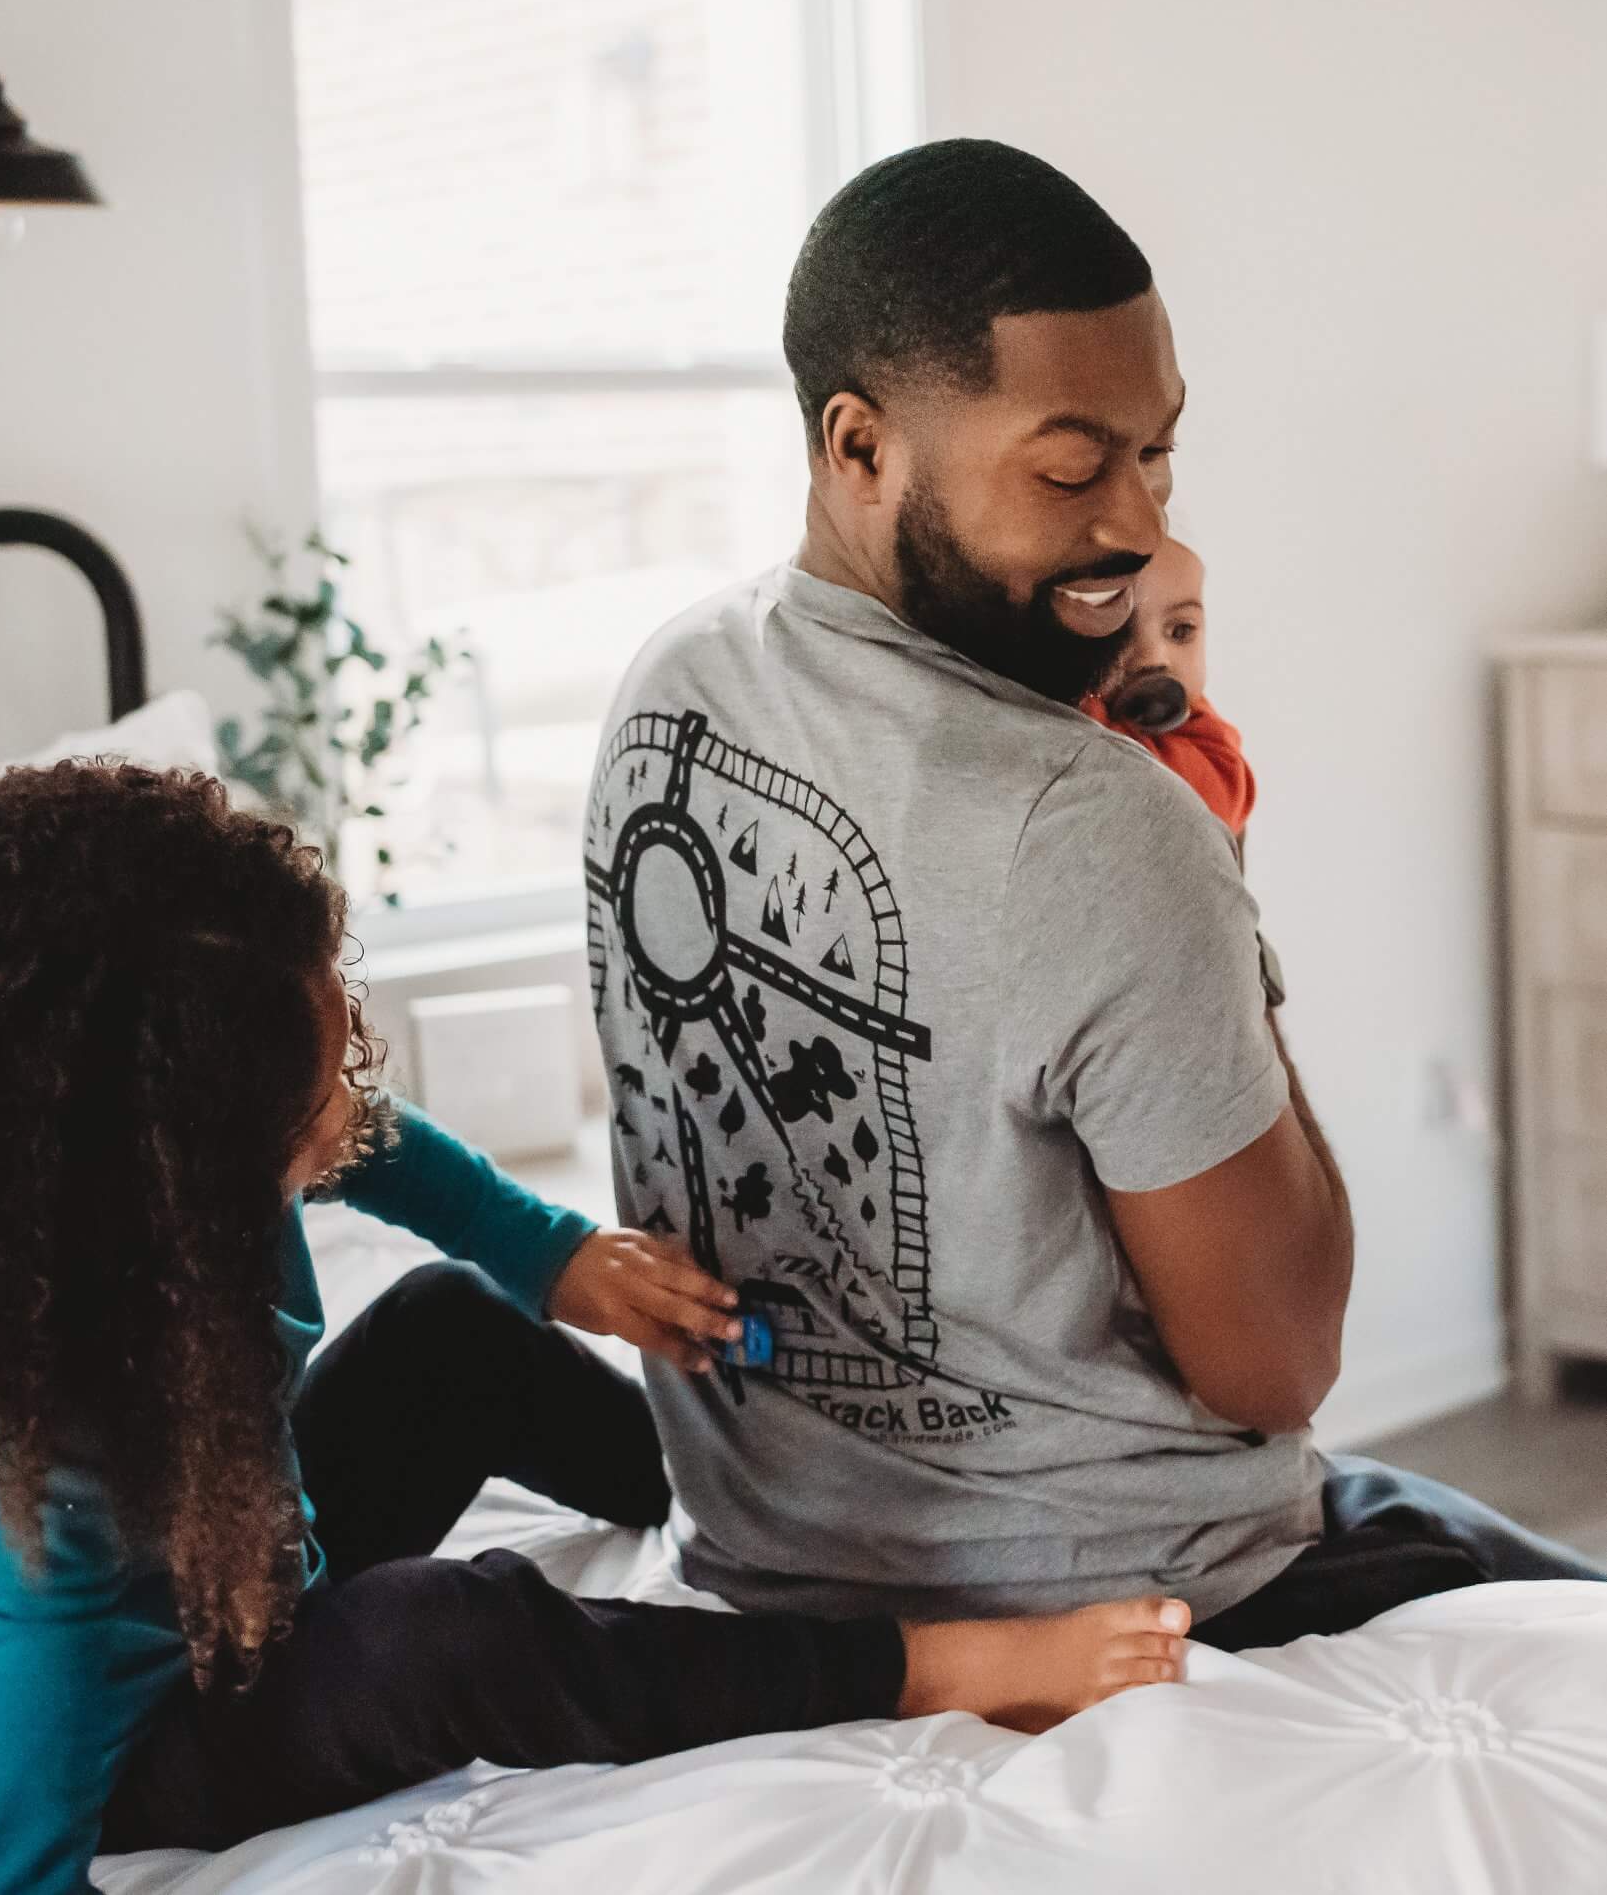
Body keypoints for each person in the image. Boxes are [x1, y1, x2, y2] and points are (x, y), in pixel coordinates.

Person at [0, 760, 1196, 1895]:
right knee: (443, 1630)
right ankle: (918, 1662)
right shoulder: (62, 1451)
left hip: (256, 1567)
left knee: (446, 1320)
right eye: (314, 1093)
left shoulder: (198, 1150)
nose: (350, 1101)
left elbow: (382, 1150)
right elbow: (22, 1793)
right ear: (182, 1158)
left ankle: (761, 1510)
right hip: (150, 1738)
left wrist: (559, 1260)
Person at [586, 137, 1604, 1651]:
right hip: (1139, 1588)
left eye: (1158, 452)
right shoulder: (1098, 823)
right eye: (1069, 467)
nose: (1134, 525)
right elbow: (1277, 1363)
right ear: (858, 447)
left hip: (764, 1558)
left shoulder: (666, 689)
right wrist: (1214, 889)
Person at [1079, 532, 1255, 838]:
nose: (1154, 658)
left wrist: (1088, 712)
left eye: (1181, 630)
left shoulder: (1204, 733)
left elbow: (1209, 805)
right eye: (1118, 632)